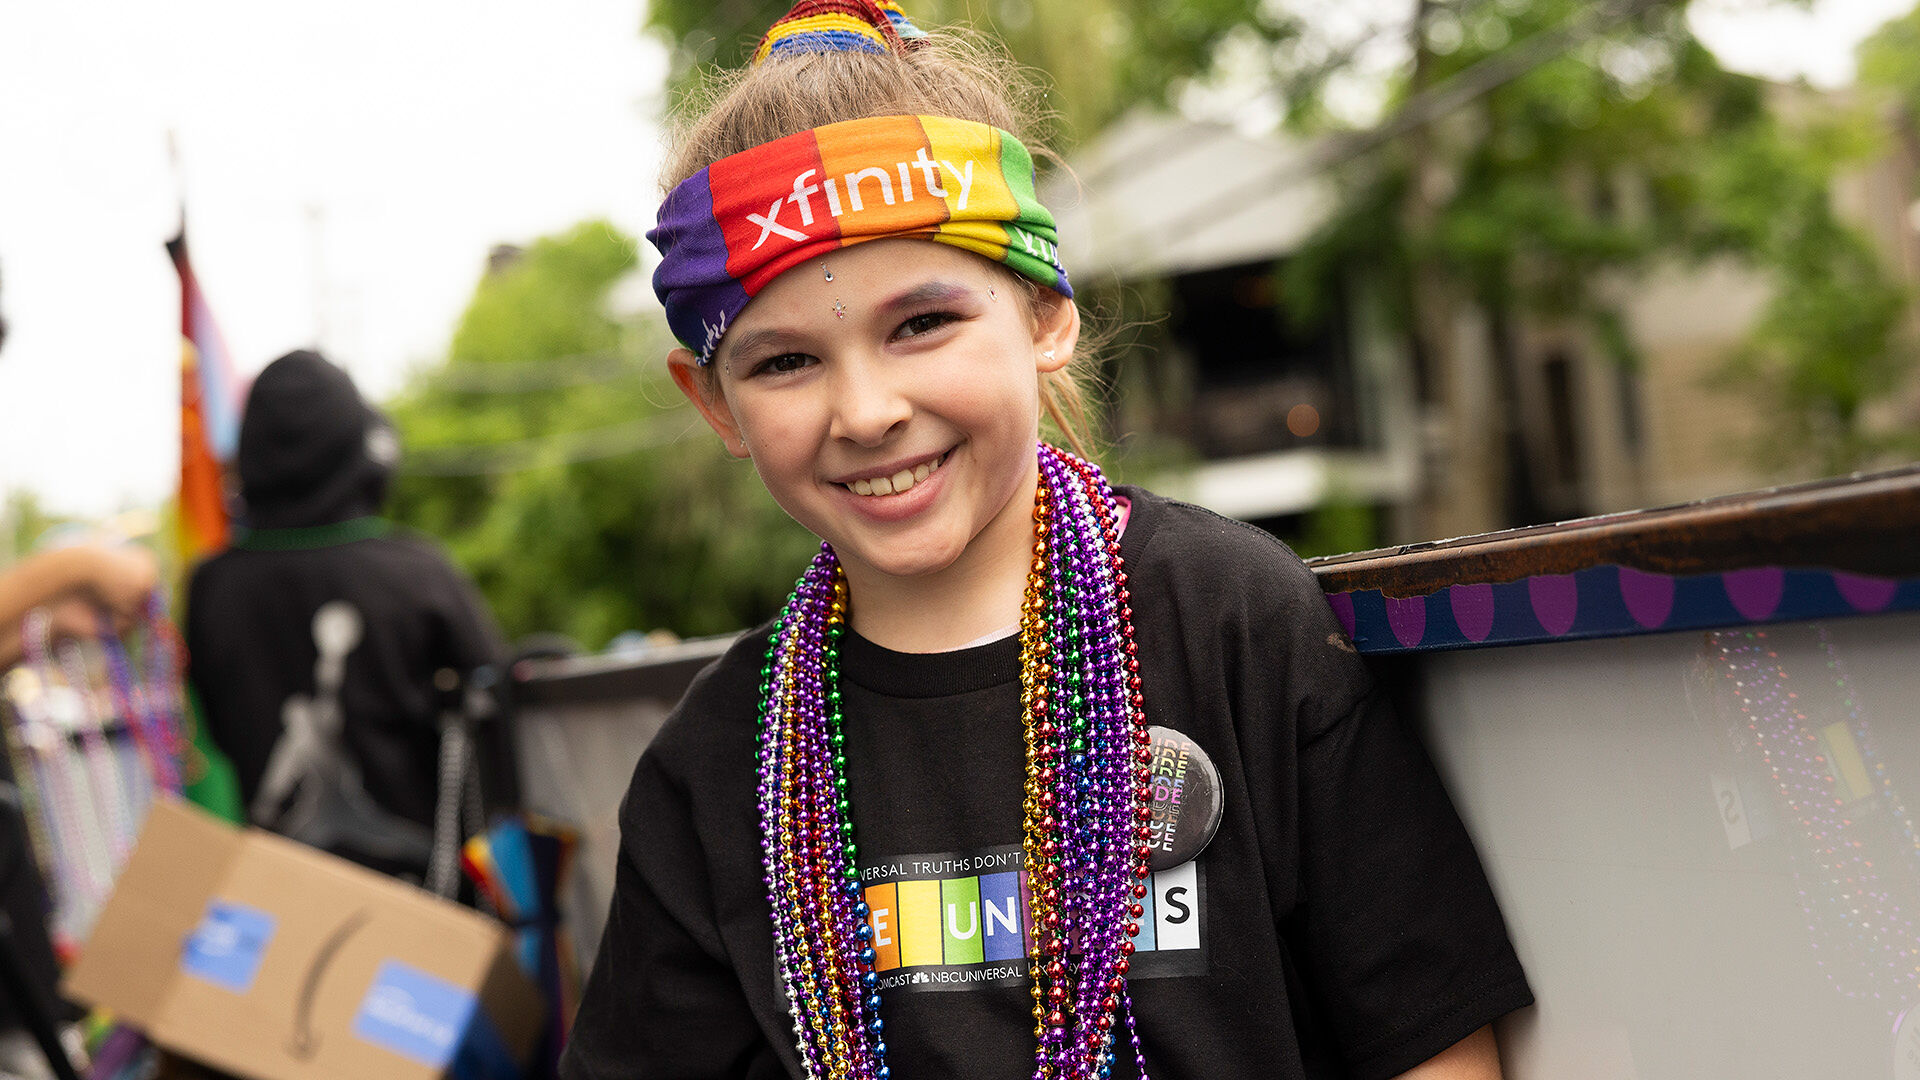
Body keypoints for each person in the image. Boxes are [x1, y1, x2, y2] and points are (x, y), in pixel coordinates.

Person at [562, 2, 1532, 1078]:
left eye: (921, 324)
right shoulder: (720, 767)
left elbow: (1435, 1047)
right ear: (713, 404)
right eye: (784, 362)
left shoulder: (1228, 623)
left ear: (1044, 314)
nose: (867, 409)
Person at [185, 349, 506, 882]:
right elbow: (496, 705)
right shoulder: (416, 571)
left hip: (276, 892)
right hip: (424, 894)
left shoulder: (211, 586)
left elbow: (213, 728)